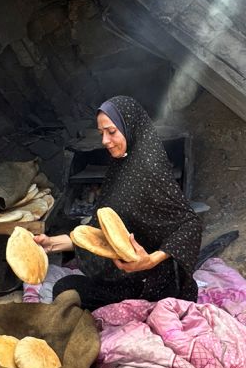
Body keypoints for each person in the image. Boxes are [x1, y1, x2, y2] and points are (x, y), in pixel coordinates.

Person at [34, 96, 201, 310]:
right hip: (129, 274)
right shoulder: (122, 165)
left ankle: (143, 302)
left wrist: (150, 260)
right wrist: (52, 244)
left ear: (130, 127)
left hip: (151, 283)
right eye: (101, 132)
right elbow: (100, 234)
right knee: (65, 288)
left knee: (67, 290)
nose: (104, 140)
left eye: (111, 132)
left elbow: (190, 224)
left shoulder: (149, 168)